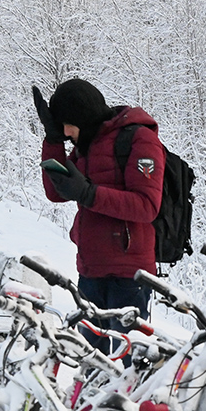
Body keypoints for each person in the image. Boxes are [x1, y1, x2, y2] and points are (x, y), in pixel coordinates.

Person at [34, 78, 165, 359]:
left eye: (66, 126)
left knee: (127, 366)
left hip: (130, 278)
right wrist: (53, 141)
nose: (67, 133)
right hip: (90, 272)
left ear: (82, 118)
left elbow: (146, 205)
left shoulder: (139, 139)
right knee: (90, 364)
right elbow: (55, 194)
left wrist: (89, 193)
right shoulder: (87, 143)